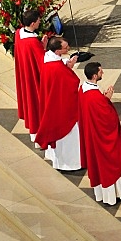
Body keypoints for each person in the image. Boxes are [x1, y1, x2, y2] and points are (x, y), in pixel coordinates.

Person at [77, 62, 121, 206]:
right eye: (100, 71)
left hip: (91, 134)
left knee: (97, 165)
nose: (102, 73)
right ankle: (112, 196)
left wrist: (104, 98)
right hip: (101, 139)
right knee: (107, 166)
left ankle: (103, 195)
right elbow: (108, 118)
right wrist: (107, 99)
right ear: (94, 75)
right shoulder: (95, 97)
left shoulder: (83, 89)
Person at [35, 37, 82, 172]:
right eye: (66, 47)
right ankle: (70, 164)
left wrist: (67, 64)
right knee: (69, 135)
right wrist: (69, 69)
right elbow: (72, 82)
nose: (68, 49)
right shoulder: (56, 68)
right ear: (57, 50)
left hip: (52, 102)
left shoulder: (48, 58)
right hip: (61, 108)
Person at [13, 9, 45, 143]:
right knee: (36, 104)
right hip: (34, 79)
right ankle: (39, 136)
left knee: (29, 101)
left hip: (25, 75)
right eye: (38, 20)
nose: (39, 22)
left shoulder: (18, 33)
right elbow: (44, 64)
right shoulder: (32, 43)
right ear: (32, 23)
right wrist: (43, 47)